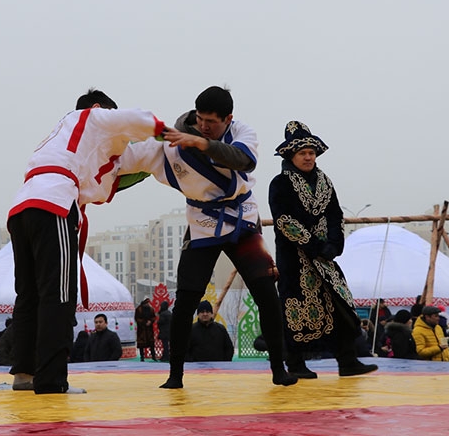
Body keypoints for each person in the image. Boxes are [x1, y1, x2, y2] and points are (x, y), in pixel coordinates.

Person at [120, 86, 296, 388]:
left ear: (228, 119)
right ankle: (175, 374)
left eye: (211, 122)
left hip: (241, 218)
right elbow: (127, 158)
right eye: (200, 120)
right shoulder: (173, 143)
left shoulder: (243, 132)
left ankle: (278, 368)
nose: (204, 126)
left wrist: (202, 143)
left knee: (266, 292)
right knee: (187, 298)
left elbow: (244, 160)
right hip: (202, 222)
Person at [7, 89, 166, 394]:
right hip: (53, 202)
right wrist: (166, 131)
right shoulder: (91, 118)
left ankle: (24, 373)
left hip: (21, 206)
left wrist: (163, 148)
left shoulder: (64, 135)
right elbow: (133, 120)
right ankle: (51, 380)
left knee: (28, 295)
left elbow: (131, 159)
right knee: (59, 294)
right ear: (98, 109)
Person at [268, 121, 378, 379]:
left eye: (311, 152)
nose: (308, 157)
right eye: (302, 153)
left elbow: (335, 214)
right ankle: (295, 363)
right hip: (295, 259)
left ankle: (348, 361)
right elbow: (285, 221)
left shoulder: (325, 183)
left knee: (340, 305)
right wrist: (314, 246)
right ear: (290, 156)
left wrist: (335, 244)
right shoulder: (280, 183)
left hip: (326, 258)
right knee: (297, 308)